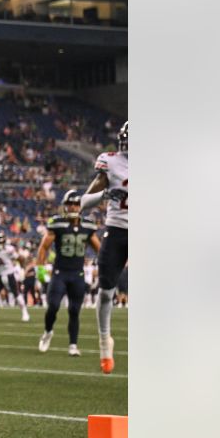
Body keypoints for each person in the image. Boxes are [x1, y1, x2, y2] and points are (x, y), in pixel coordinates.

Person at [81, 121, 127, 374]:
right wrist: (105, 196)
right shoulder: (110, 162)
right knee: (106, 290)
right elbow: (83, 203)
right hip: (117, 229)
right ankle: (104, 340)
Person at [36, 191, 101, 357]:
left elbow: (99, 249)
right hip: (60, 272)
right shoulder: (57, 223)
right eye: (70, 204)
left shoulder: (88, 226)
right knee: (53, 306)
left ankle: (73, 344)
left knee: (74, 310)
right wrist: (40, 268)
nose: (73, 207)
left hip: (77, 274)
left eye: (76, 204)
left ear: (80, 206)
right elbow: (44, 247)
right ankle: (48, 332)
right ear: (65, 206)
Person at [0, 233, 29, 322]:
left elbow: (20, 258)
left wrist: (23, 268)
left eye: (1, 243)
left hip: (9, 274)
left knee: (16, 293)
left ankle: (25, 312)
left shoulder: (9, 249)